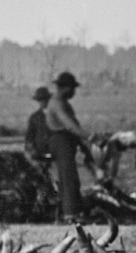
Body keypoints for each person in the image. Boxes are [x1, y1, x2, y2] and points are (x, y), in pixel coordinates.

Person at [43, 71, 95, 221]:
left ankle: (73, 212)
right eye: (72, 88)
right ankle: (70, 214)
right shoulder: (57, 103)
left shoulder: (63, 102)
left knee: (71, 177)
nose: (73, 92)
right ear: (65, 88)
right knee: (68, 178)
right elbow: (69, 125)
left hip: (66, 142)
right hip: (60, 142)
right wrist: (89, 137)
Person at [24, 86, 53, 174]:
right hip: (39, 153)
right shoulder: (35, 117)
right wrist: (32, 150)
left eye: (44, 99)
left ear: (48, 99)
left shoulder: (56, 115)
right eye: (40, 100)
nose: (42, 102)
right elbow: (29, 137)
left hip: (55, 152)